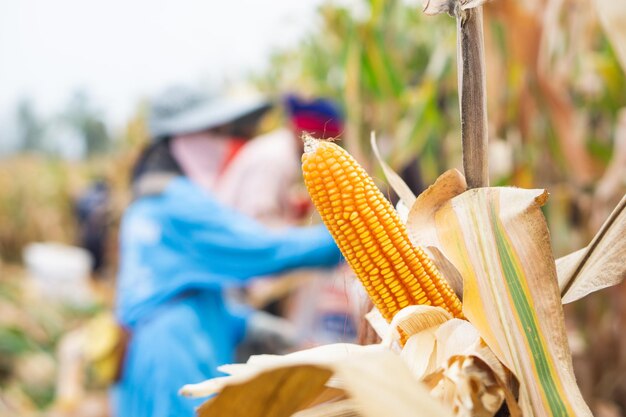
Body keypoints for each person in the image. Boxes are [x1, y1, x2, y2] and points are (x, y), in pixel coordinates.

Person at [111, 86, 342, 417]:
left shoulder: (150, 203)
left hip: (161, 352)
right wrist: (349, 235)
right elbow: (262, 250)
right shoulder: (178, 203)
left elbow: (184, 290)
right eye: (215, 132)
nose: (224, 144)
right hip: (174, 359)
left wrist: (246, 324)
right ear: (182, 138)